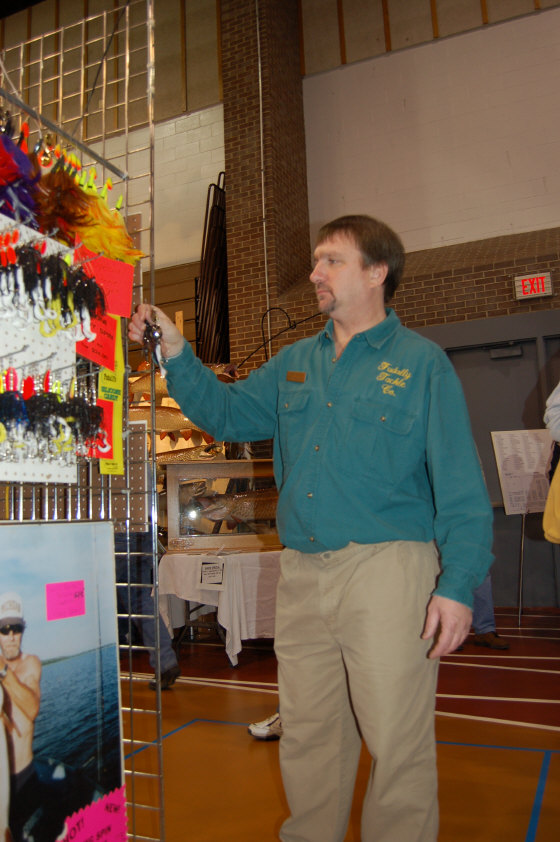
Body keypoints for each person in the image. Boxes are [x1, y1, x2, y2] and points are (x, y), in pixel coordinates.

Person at [129, 214, 494, 842]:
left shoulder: (421, 364)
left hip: (387, 569)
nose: (315, 272)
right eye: (317, 259)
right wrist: (179, 353)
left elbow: (461, 487)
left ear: (376, 272)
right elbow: (227, 414)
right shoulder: (296, 362)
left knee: (396, 741)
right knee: (310, 734)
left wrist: (457, 585)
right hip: (301, 572)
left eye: (332, 260)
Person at [114, 531, 180, 690]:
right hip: (143, 532)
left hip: (116, 533)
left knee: (97, 598)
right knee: (140, 601)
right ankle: (165, 662)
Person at [0, 592, 42, 842]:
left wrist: (3, 671)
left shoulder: (31, 664)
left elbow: (32, 709)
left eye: (16, 628)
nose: (11, 636)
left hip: (24, 778)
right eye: (4, 629)